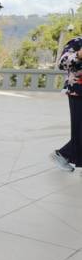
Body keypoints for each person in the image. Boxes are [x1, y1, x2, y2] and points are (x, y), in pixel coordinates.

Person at [51, 36, 82, 171]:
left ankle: (64, 154)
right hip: (78, 92)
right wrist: (79, 54)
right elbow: (62, 62)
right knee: (80, 132)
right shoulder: (76, 42)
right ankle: (63, 154)